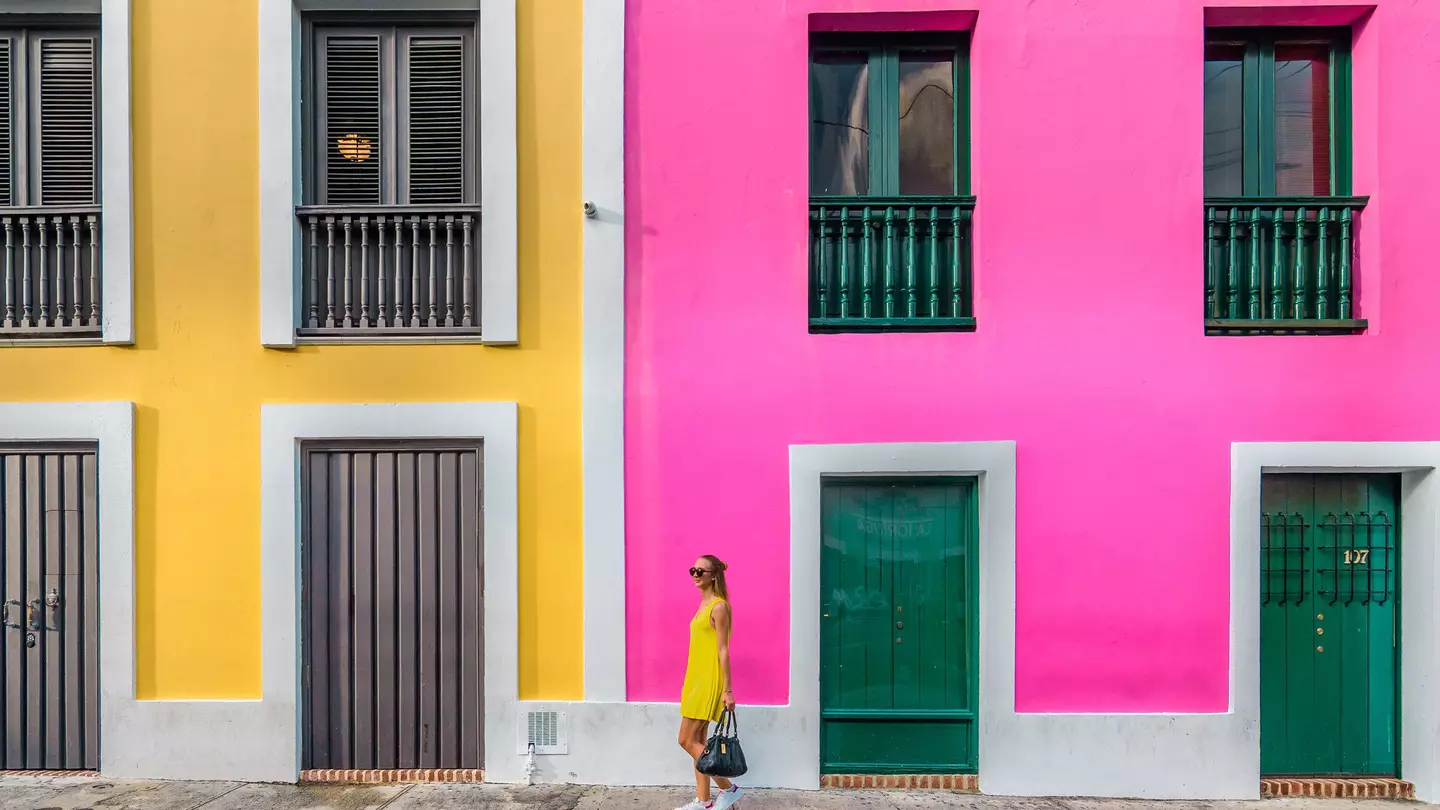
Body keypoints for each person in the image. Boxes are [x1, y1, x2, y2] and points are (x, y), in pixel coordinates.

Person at [674, 555, 743, 810]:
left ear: (714, 575)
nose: (695, 574)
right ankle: (704, 802)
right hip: (695, 679)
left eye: (700, 571)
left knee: (686, 740)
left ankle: (729, 788)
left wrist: (728, 690)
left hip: (708, 681)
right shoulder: (703, 606)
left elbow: (723, 650)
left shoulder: (718, 606)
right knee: (699, 742)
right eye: (693, 570)